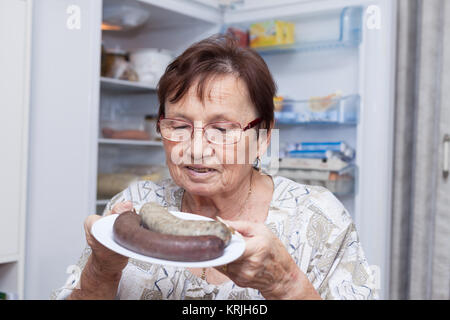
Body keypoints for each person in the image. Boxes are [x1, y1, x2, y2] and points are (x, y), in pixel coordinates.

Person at [51, 35, 377, 300]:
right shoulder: (133, 203)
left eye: (221, 130)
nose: (195, 149)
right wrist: (101, 270)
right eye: (178, 126)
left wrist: (287, 284)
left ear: (262, 136)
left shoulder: (319, 219)